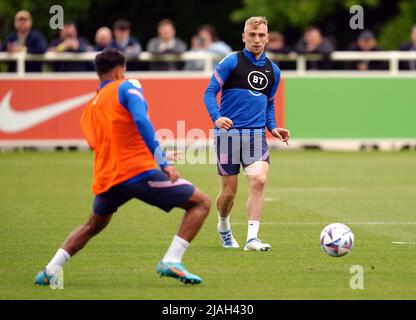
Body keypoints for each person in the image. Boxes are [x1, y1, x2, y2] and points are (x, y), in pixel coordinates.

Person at [35, 48, 211, 286]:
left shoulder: (90, 108)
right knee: (200, 203)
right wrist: (163, 161)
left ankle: (49, 271)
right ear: (120, 71)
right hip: (136, 171)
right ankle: (171, 260)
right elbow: (141, 119)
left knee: (92, 225)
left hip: (108, 178)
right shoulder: (127, 86)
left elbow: (100, 144)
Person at [203, 17, 290, 251]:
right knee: (229, 193)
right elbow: (210, 92)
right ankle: (223, 225)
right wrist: (216, 117)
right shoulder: (231, 62)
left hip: (255, 136)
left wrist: (273, 127)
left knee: (259, 181)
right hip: (228, 136)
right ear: (244, 37)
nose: (257, 39)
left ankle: (252, 238)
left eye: (261, 35)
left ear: (268, 38)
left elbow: (269, 104)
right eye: (252, 34)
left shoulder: (274, 71)